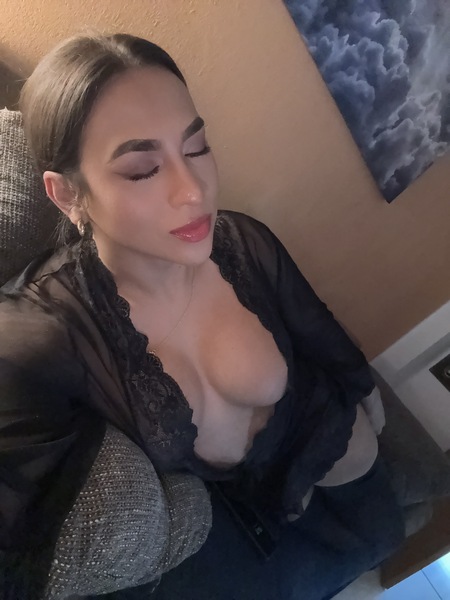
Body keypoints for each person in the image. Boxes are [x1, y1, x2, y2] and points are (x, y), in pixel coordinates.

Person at [0, 33, 404, 600]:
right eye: (142, 170)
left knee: (385, 541)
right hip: (256, 501)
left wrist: (367, 396)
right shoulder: (44, 334)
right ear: (68, 195)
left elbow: (323, 336)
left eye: (197, 148)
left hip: (340, 447)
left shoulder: (241, 242)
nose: (194, 191)